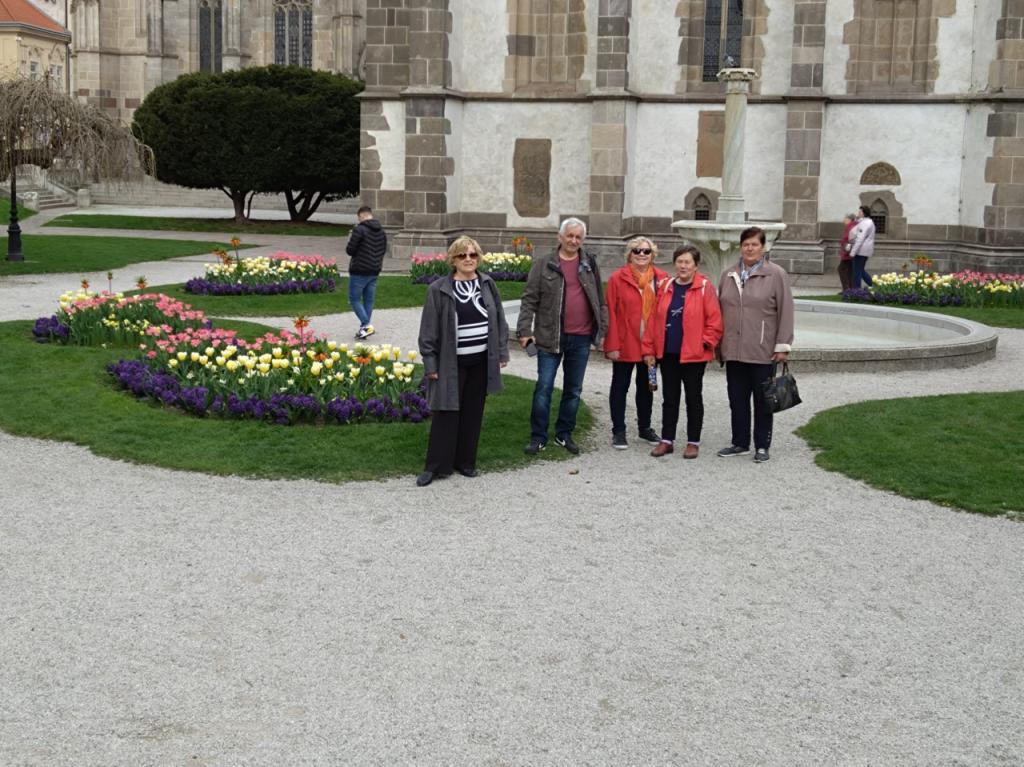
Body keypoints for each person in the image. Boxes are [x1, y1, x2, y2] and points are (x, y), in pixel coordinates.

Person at [416, 236, 509, 487]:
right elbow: (428, 331)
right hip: (451, 362)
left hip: (481, 360)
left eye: (473, 255)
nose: (468, 259)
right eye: (462, 255)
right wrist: (430, 364)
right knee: (445, 412)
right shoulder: (439, 289)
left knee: (472, 412)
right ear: (453, 260)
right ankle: (436, 466)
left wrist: (501, 353)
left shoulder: (487, 284)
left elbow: (499, 320)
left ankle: (465, 462)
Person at [517, 217, 608, 456]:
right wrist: (525, 331)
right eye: (570, 235)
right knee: (544, 387)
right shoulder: (544, 264)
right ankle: (538, 437)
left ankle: (564, 434)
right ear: (560, 237)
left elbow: (600, 300)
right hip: (550, 336)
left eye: (578, 237)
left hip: (581, 338)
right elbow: (529, 299)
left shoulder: (589, 263)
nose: (573, 241)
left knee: (573, 390)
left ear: (582, 240)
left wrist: (602, 331)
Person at [716, 227, 795, 463]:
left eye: (754, 244)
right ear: (740, 247)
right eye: (746, 244)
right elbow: (720, 310)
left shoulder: (776, 274)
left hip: (762, 350)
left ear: (763, 247)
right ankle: (740, 442)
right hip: (734, 350)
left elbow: (786, 311)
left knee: (763, 401)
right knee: (737, 399)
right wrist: (718, 345)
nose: (749, 248)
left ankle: (762, 445)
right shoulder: (728, 274)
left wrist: (782, 345)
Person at [642, 245, 723, 459]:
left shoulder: (704, 287)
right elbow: (653, 320)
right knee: (670, 398)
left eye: (687, 262)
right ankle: (667, 440)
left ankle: (693, 441)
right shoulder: (666, 285)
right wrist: (649, 349)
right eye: (680, 261)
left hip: (694, 355)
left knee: (693, 398)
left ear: (696, 265)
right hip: (668, 352)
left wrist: (705, 343)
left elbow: (715, 321)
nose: (683, 266)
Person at [603, 236, 668, 449]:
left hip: (650, 345)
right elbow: (610, 312)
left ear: (652, 255)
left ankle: (645, 428)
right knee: (620, 386)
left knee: (647, 386)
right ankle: (618, 430)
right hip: (625, 342)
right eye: (637, 250)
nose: (641, 254)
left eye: (646, 251)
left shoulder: (662, 279)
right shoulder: (617, 278)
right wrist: (612, 344)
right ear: (629, 254)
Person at [345, 205, 388, 339]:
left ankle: (366, 324)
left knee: (354, 299)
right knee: (368, 300)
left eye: (359, 218)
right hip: (375, 270)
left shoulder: (359, 229)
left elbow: (350, 250)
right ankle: (364, 329)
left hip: (359, 270)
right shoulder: (381, 231)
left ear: (362, 216)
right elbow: (383, 250)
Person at [849, 205, 876, 290]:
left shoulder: (865, 223)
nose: (858, 213)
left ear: (864, 213)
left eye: (860, 211)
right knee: (860, 270)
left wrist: (853, 252)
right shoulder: (867, 221)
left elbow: (860, 239)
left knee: (857, 272)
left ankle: (857, 291)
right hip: (864, 250)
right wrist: (857, 219)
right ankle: (875, 286)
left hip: (861, 251)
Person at [838, 213, 856, 293]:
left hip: (848, 253)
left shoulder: (850, 227)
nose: (843, 220)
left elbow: (850, 240)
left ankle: (846, 289)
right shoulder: (851, 226)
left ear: (849, 219)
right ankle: (850, 289)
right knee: (849, 271)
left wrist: (846, 251)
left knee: (841, 269)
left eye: (845, 218)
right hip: (850, 253)